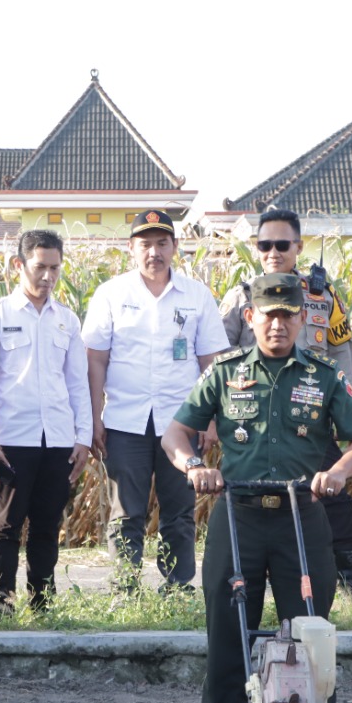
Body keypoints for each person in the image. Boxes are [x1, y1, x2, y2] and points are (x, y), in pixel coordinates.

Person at [162, 274, 352, 703]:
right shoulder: (225, 373)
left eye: (288, 314)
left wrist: (339, 472)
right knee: (227, 632)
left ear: (303, 318)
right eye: (268, 314)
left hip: (300, 516)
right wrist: (194, 465)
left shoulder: (323, 377)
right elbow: (176, 432)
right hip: (237, 515)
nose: (277, 323)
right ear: (251, 318)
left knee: (310, 637)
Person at [218, 209, 352, 601]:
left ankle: (347, 577)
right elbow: (219, 352)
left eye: (282, 245)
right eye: (265, 244)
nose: (273, 252)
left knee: (332, 494)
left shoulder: (321, 295)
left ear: (297, 247)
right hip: (257, 415)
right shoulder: (241, 295)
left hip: (313, 409)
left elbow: (341, 348)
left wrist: (343, 400)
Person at [82, 208, 226, 593]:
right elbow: (95, 359)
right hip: (124, 422)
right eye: (145, 244)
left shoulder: (197, 295)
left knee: (179, 510)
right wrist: (94, 418)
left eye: (162, 243)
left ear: (175, 247)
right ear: (131, 248)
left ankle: (177, 586)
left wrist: (211, 420)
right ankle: (124, 587)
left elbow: (211, 362)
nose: (154, 252)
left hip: (182, 424)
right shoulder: (111, 294)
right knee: (126, 510)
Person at [0, 230, 91, 613]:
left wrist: (83, 438)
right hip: (11, 439)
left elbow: (78, 384)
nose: (48, 276)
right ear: (19, 265)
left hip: (57, 439)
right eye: (40, 267)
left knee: (46, 524)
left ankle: (42, 603)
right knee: (6, 525)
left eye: (55, 268)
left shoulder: (67, 321)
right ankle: (1, 604)